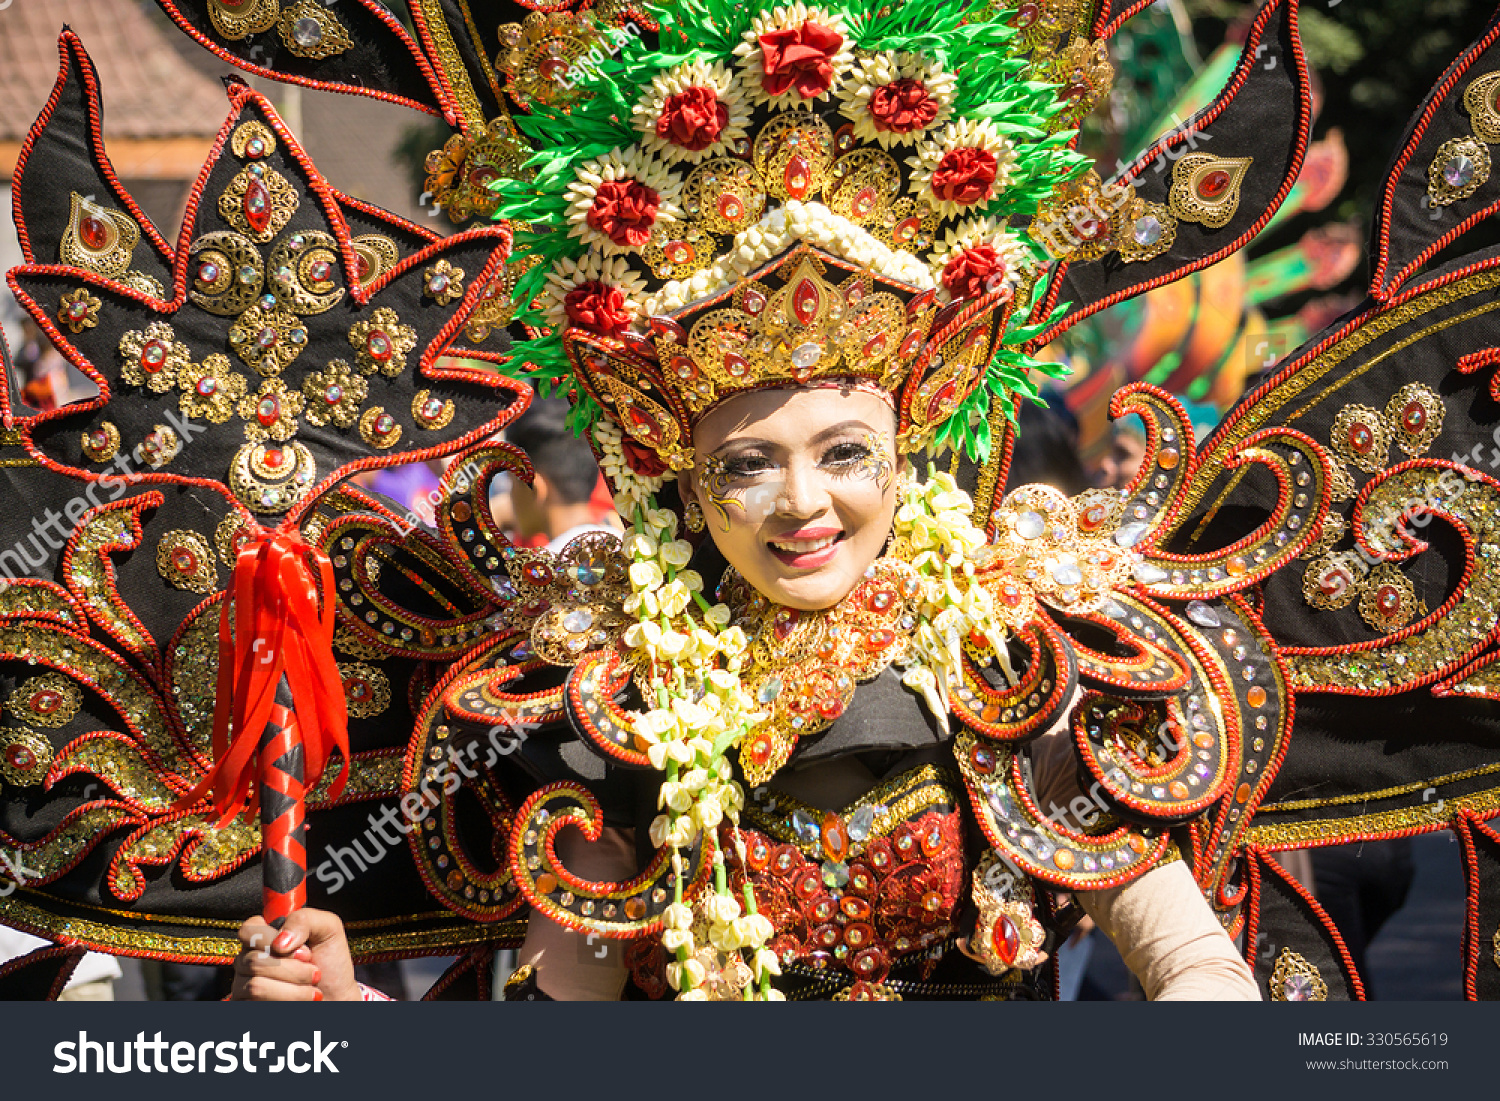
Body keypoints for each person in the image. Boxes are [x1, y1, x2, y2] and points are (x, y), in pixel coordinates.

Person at [504, 397, 620, 551]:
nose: (510, 496)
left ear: (534, 488)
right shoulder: (635, 551)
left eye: (512, 483)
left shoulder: (545, 571)